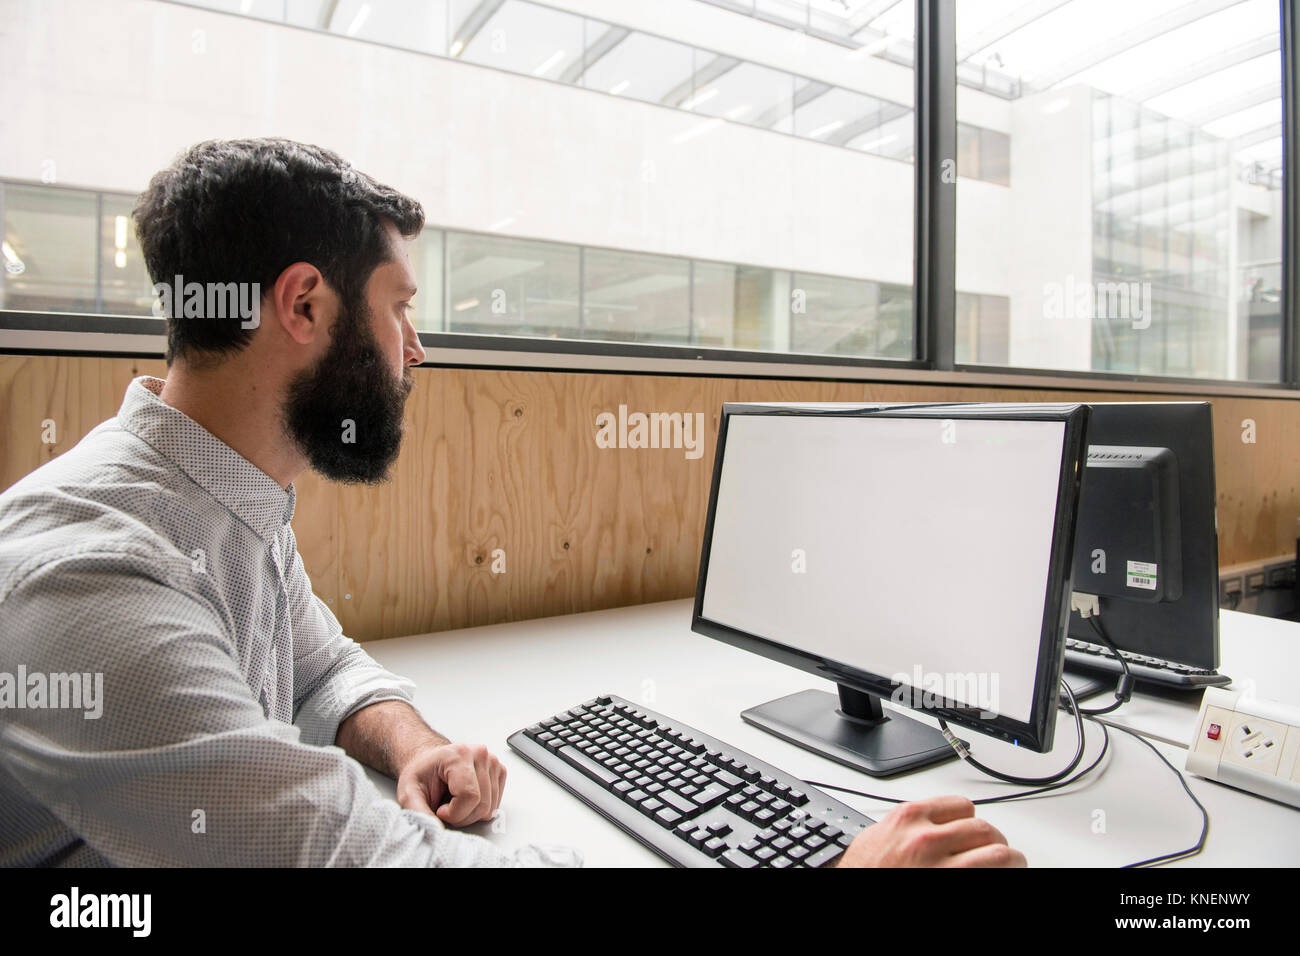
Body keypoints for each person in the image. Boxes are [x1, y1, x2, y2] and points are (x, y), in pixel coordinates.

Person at [0, 138, 1024, 868]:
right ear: (303, 304)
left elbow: (316, 661)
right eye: (400, 308)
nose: (416, 350)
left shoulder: (218, 493)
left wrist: (413, 744)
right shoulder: (95, 573)